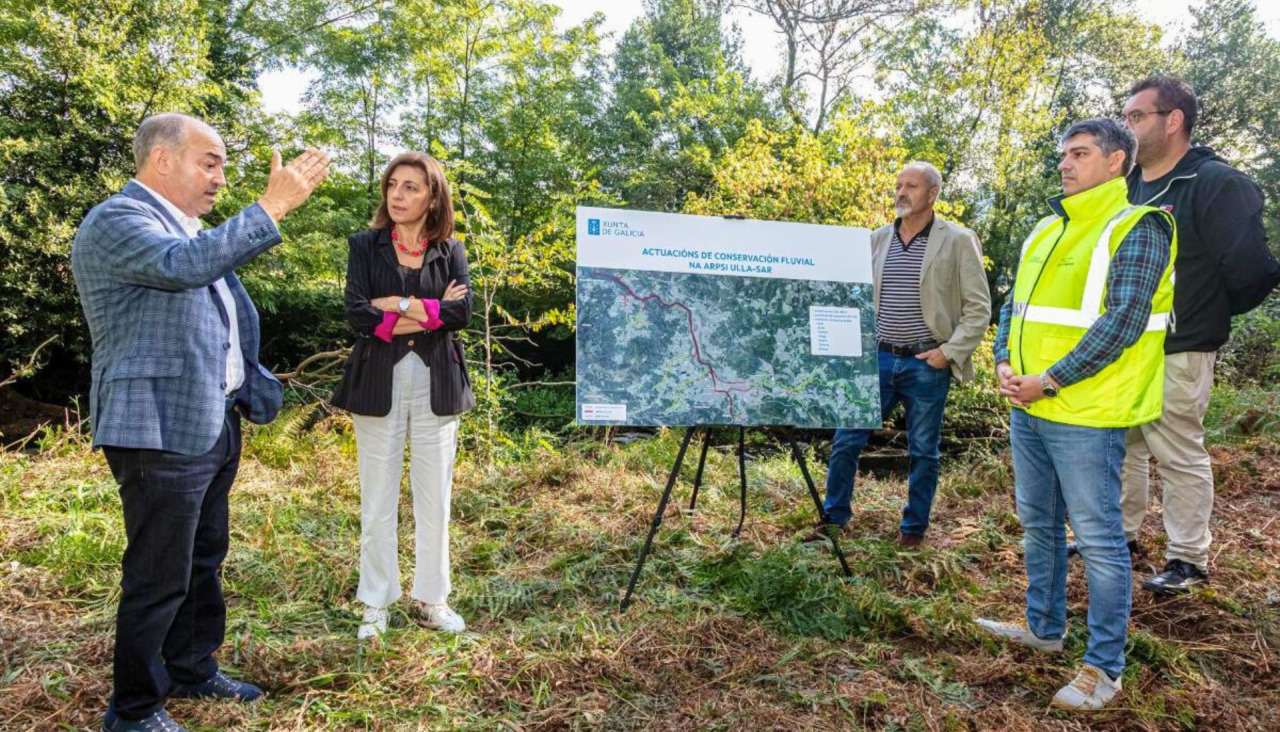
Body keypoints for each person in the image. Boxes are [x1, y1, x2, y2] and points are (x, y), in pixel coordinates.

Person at [71, 113, 329, 732]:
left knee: (201, 558)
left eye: (221, 165)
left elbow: (218, 310)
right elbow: (185, 267)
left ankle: (190, 667)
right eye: (208, 162)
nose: (219, 177)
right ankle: (133, 712)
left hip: (210, 419)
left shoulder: (185, 227)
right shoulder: (117, 221)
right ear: (162, 161)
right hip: (155, 425)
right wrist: (271, 206)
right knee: (158, 573)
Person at [976, 118, 1176, 711]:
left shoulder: (1139, 226)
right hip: (1029, 403)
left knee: (1098, 540)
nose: (1065, 164)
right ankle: (1044, 629)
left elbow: (1124, 319)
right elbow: (1014, 305)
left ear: (1117, 162)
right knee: (1038, 523)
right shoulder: (1045, 228)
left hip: (1087, 411)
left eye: (1080, 154)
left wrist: (1051, 380)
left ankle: (1103, 669)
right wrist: (1005, 361)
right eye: (1064, 154)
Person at [1108, 75, 1280, 594]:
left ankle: (1187, 559)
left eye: (1137, 117)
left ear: (1174, 120)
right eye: (1126, 117)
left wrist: (1203, 315)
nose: (1128, 127)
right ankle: (1123, 536)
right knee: (1126, 447)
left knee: (1179, 452)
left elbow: (1253, 270)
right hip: (1126, 346)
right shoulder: (1130, 187)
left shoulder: (1215, 184)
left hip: (1181, 348)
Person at [805, 162, 991, 547]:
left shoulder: (957, 240)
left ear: (933, 194)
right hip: (876, 359)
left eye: (911, 186)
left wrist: (949, 352)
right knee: (846, 442)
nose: (901, 193)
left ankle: (913, 530)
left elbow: (978, 309)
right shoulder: (876, 239)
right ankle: (834, 518)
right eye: (898, 185)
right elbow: (852, 299)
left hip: (927, 362)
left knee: (924, 450)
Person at [330, 152, 475, 640]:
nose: (398, 194)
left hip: (437, 383)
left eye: (412, 187)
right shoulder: (364, 246)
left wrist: (398, 305)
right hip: (378, 382)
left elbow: (463, 313)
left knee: (435, 498)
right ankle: (376, 602)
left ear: (433, 196)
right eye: (393, 184)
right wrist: (430, 311)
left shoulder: (450, 249)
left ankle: (433, 598)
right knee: (378, 497)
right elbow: (357, 313)